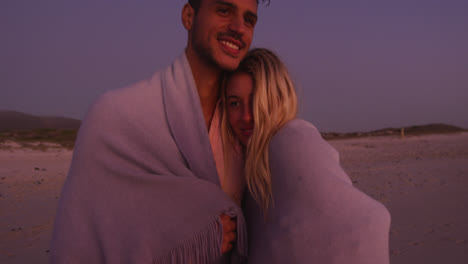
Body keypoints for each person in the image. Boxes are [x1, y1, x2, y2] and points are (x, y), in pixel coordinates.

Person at [50, 1, 268, 263]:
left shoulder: (245, 124)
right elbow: (84, 238)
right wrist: (196, 239)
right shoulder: (113, 117)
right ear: (189, 16)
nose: (239, 28)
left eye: (249, 20)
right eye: (224, 10)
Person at [221, 48, 391, 263]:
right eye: (235, 103)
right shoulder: (242, 159)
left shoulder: (292, 141)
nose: (246, 116)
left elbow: (364, 221)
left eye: (256, 100)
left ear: (278, 98)